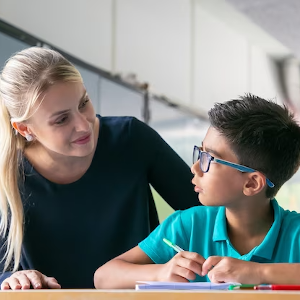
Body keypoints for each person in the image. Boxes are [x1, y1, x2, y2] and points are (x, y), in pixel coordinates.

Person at [0, 47, 200, 290]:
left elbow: (210, 213)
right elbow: (4, 272)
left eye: (83, 103)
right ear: (24, 129)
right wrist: (10, 278)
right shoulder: (6, 174)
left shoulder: (131, 139)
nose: (83, 125)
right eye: (62, 119)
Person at [94, 94, 300, 289]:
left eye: (208, 159)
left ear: (252, 184)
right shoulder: (187, 225)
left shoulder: (295, 234)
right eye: (199, 152)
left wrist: (259, 273)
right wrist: (160, 272)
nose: (195, 168)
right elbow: (103, 277)